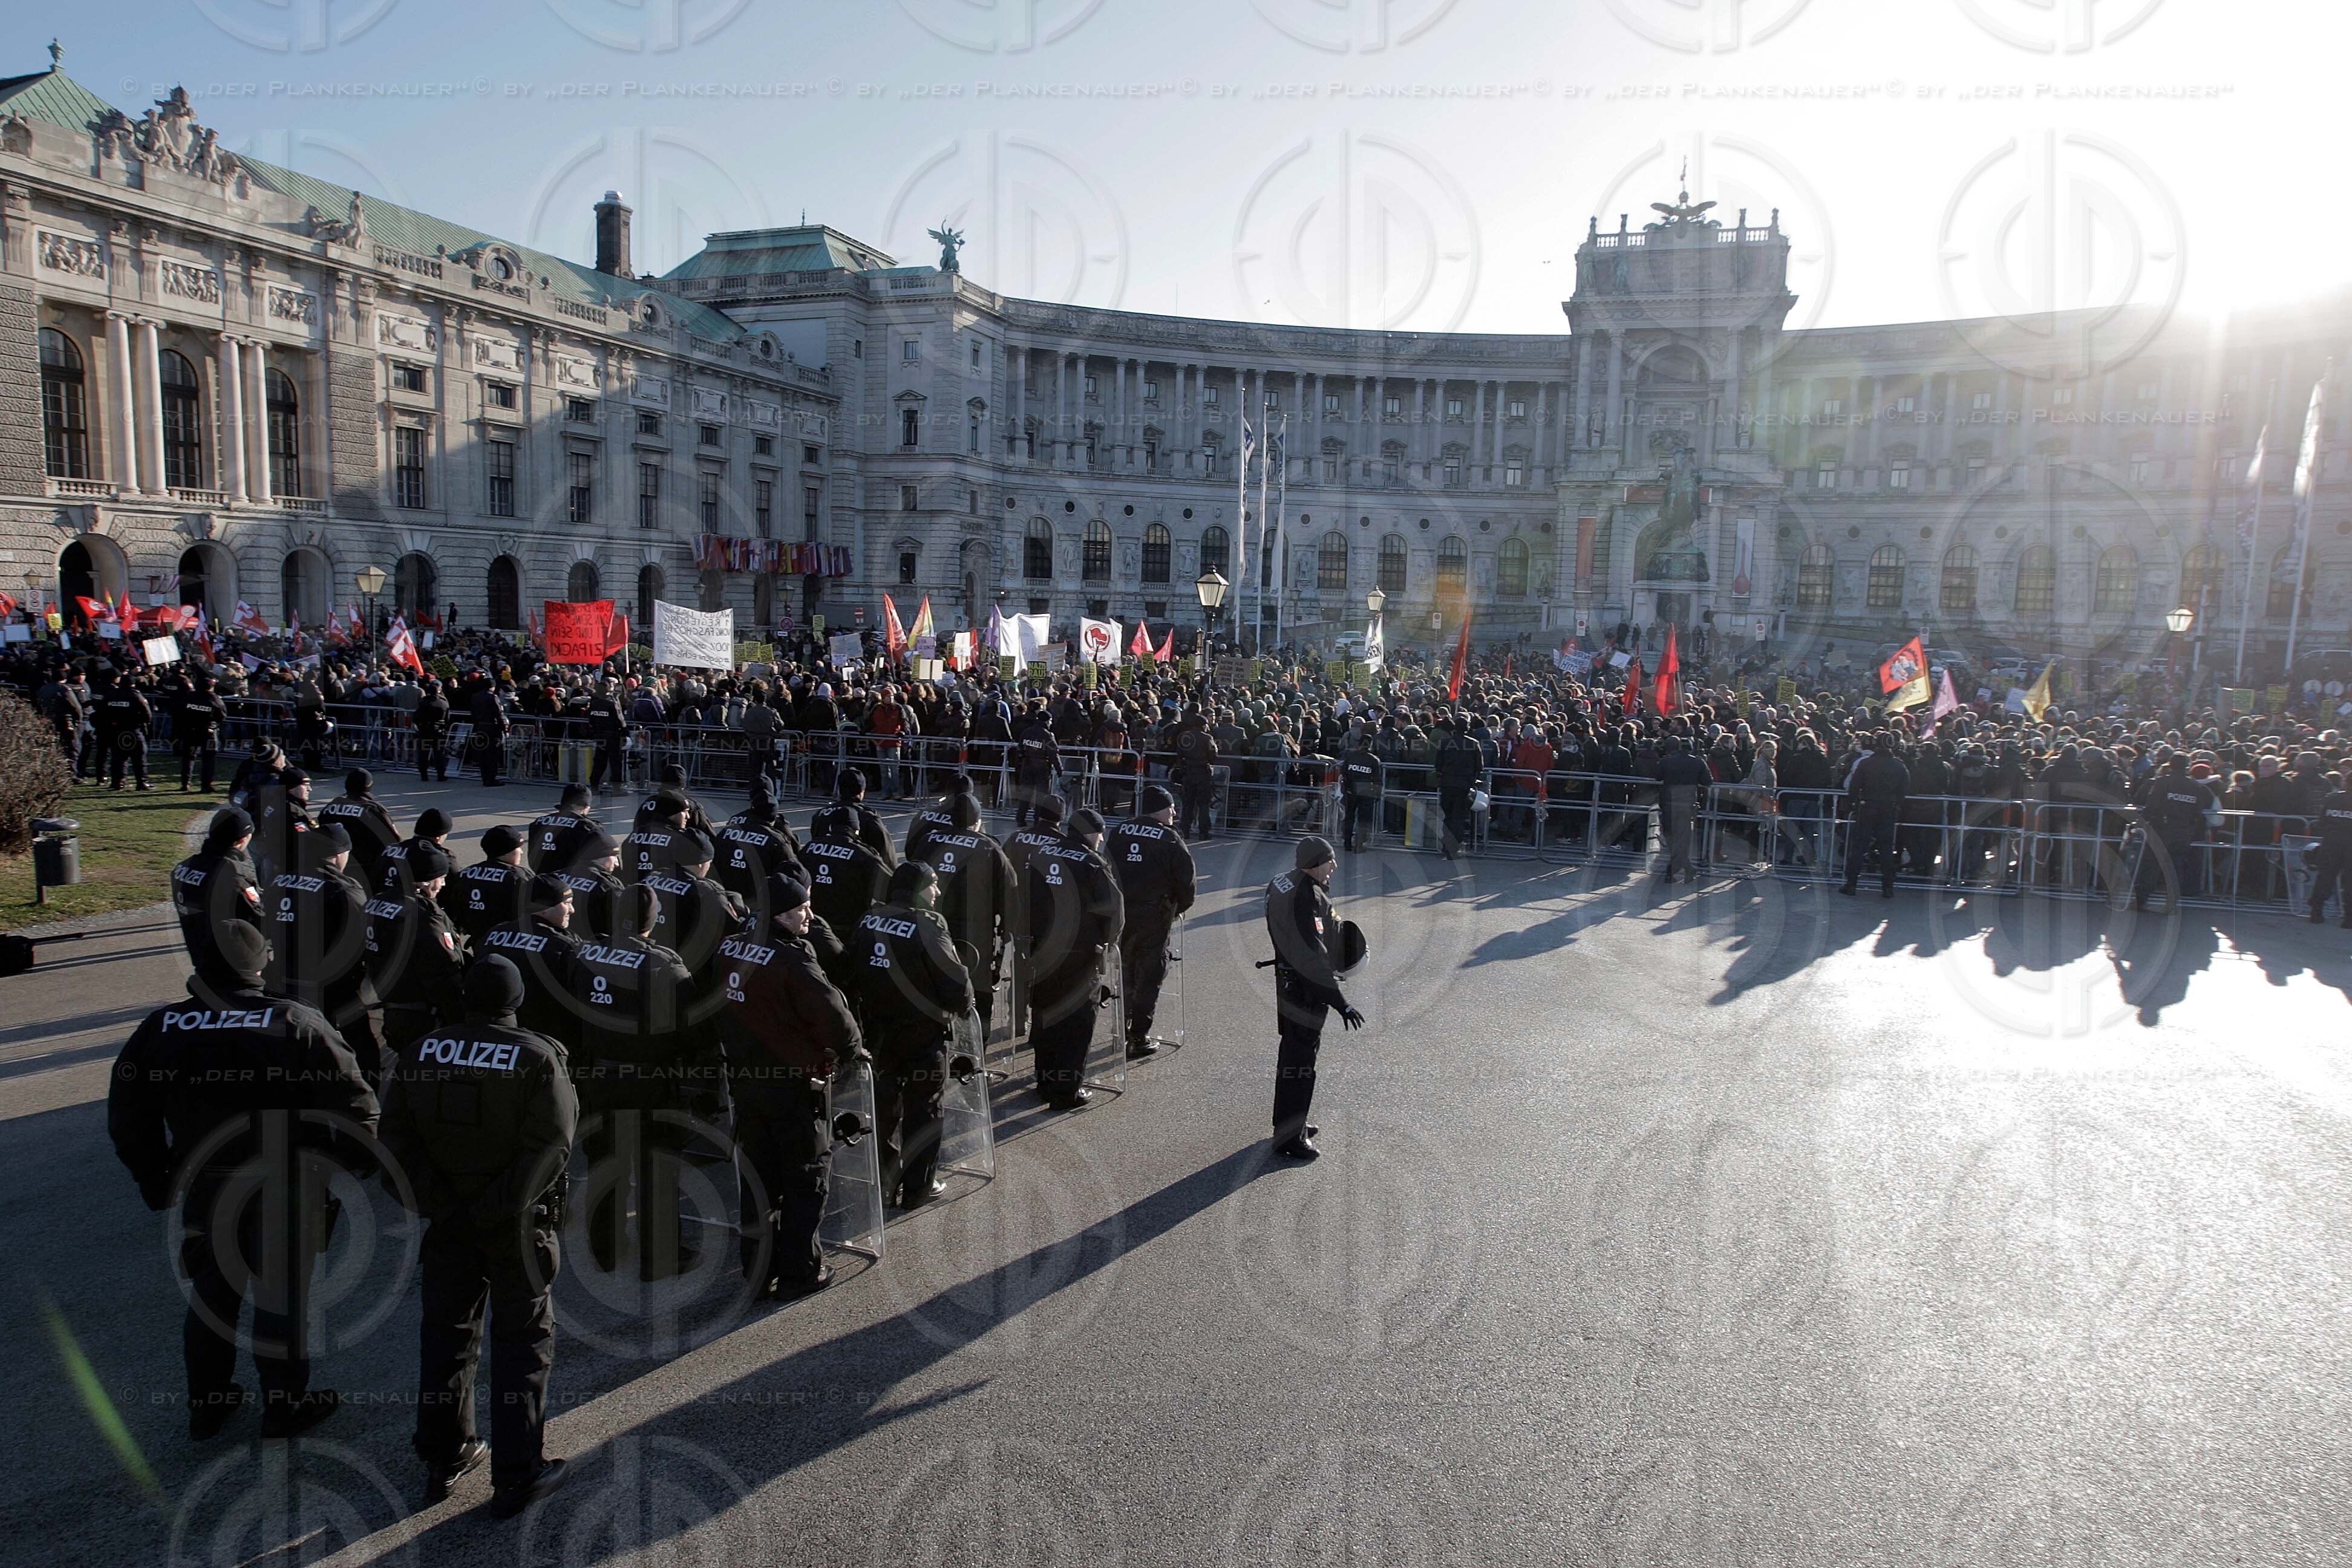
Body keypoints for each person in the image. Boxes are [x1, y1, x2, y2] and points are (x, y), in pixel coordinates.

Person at [108, 921, 377, 1441]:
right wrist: (350, 1165)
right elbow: (358, 1107)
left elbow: (128, 1117)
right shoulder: (298, 1023)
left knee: (212, 1294)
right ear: (260, 966)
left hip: (206, 1183)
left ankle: (207, 1404)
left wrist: (155, 1178)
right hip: (285, 1183)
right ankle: (285, 1405)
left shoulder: (161, 1028)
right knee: (280, 1299)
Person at [378, 955, 576, 1514]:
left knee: (447, 1337)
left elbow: (393, 1144)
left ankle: (445, 1452)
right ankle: (518, 1473)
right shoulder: (538, 1057)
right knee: (523, 1345)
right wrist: (496, 1207)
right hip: (516, 1228)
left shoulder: (420, 1052)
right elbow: (552, 1148)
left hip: (450, 1227)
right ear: (515, 1002)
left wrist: (447, 1207)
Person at [723, 872, 862, 1301]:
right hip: (794, 1085)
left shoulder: (728, 946)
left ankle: (757, 1272)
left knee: (758, 1179)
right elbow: (834, 1018)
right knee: (807, 1177)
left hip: (746, 1082)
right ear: (782, 913)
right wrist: (852, 1053)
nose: (809, 915)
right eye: (803, 908)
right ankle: (800, 1271)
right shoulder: (793, 959)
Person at [573, 884, 700, 1278]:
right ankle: (659, 1255)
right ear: (652, 920)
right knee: (656, 1168)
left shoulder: (583, 955)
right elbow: (691, 1030)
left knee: (605, 1164)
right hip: (651, 1081)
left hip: (599, 1076)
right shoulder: (663, 965)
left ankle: (605, 1248)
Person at [855, 862, 975, 1208]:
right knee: (925, 1109)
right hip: (922, 1034)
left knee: (885, 1108)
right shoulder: (928, 924)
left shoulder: (868, 919)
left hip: (879, 1031)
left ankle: (885, 1181)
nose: (938, 893)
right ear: (919, 889)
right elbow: (956, 985)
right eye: (933, 886)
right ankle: (919, 1188)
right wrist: (963, 1004)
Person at [1263, 836, 1363, 1160]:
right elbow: (1313, 960)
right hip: (1304, 992)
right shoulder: (1308, 897)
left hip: (1287, 981)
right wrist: (1341, 1002)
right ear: (1316, 863)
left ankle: (1291, 1122)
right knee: (1300, 1065)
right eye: (1330, 861)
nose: (1335, 865)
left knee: (1292, 1057)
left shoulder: (1281, 882)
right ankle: (1290, 1138)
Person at [1024, 806, 1123, 1109]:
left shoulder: (1041, 854)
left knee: (1045, 1016)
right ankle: (1066, 1091)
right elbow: (1114, 910)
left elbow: (1022, 899)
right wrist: (1107, 944)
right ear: (1091, 833)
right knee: (1076, 1024)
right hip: (1080, 955)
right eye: (1101, 832)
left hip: (1042, 951)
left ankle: (1043, 1081)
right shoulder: (1093, 863)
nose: (1102, 838)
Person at [264, 822, 380, 1080]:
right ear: (340, 854)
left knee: (295, 1042)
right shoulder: (344, 889)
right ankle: (363, 1096)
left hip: (284, 979)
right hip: (331, 985)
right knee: (360, 1044)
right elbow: (362, 941)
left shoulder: (279, 880)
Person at [914, 794, 1018, 1044]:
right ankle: (975, 1047)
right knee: (977, 989)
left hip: (930, 926)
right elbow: (1010, 894)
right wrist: (1006, 934)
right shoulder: (989, 847)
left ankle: (935, 1038)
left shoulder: (928, 840)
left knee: (931, 982)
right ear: (978, 821)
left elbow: (911, 876)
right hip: (975, 933)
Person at [1106, 786, 1195, 1059]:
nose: (1175, 813)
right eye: (1171, 808)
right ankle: (1139, 1035)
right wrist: (1177, 908)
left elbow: (1106, 868)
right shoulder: (1169, 839)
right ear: (1161, 809)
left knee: (1125, 971)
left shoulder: (1119, 831)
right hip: (1153, 915)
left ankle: (1120, 1029)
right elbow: (1187, 881)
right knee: (1150, 974)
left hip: (1121, 913)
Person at [364, 838, 466, 1063]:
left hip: (389, 1004)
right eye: (442, 878)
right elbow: (444, 972)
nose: (444, 885)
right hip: (420, 1014)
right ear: (428, 881)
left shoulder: (376, 902)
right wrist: (458, 1016)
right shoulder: (424, 917)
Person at [481, 876, 590, 1045]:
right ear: (545, 908)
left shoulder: (494, 934)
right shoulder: (563, 946)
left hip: (493, 1032)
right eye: (567, 903)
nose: (572, 910)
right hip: (544, 1038)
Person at [173, 807, 266, 986]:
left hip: (199, 951)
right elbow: (260, 918)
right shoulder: (233, 877)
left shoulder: (182, 868)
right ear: (242, 840)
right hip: (234, 961)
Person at [802, 808, 890, 989]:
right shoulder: (863, 855)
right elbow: (890, 887)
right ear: (856, 830)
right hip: (848, 932)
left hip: (811, 928)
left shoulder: (810, 848)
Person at [2132, 754, 2215, 914]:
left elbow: (2152, 805)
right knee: (2175, 868)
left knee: (2151, 866)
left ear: (2170, 765)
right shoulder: (2195, 786)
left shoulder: (2163, 782)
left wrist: (2143, 822)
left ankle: (2140, 901)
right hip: (2183, 832)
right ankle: (2172, 904)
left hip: (2161, 829)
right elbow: (2197, 812)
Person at [716, 775, 804, 920]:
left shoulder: (731, 827)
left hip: (727, 898)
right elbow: (793, 866)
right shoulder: (776, 838)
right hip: (758, 902)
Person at [1839, 730, 1911, 900]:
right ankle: (1888, 887)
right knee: (1886, 849)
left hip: (1867, 806)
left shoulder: (1865, 764)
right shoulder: (1899, 765)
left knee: (1859, 847)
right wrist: (1897, 806)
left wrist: (1855, 804)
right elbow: (1904, 790)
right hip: (1888, 809)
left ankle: (1851, 884)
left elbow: (1854, 787)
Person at [442, 825, 532, 949]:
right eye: (518, 848)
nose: (521, 852)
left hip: (479, 940)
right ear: (506, 851)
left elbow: (454, 908)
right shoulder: (518, 877)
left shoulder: (465, 874)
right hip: (511, 943)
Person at [315, 768, 400, 888]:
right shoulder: (373, 810)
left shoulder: (330, 807)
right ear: (368, 786)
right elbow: (394, 840)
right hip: (366, 869)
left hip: (335, 866)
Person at [1653, 735, 1714, 886]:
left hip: (1669, 803)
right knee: (1682, 840)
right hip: (1687, 805)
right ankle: (1684, 868)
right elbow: (1708, 782)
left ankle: (1675, 871)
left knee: (1672, 839)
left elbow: (1657, 777)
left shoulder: (1666, 761)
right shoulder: (1698, 762)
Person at [810, 770, 898, 870]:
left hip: (820, 872)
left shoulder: (821, 814)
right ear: (862, 791)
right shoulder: (868, 816)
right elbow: (887, 853)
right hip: (855, 875)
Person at [92, 669, 154, 791]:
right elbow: (147, 715)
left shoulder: (111, 694)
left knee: (118, 758)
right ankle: (142, 782)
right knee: (139, 757)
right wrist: (140, 722)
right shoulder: (135, 695)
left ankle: (118, 782)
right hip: (133, 729)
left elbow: (103, 711)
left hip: (116, 730)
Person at [1433, 719, 1486, 861]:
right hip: (1463, 785)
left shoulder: (1445, 743)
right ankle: (1453, 849)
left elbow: (1438, 765)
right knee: (1459, 818)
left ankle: (1446, 845)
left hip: (1447, 783)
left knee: (1449, 816)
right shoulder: (1473, 744)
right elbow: (1480, 767)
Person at [379, 808, 456, 900]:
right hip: (417, 906)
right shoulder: (438, 857)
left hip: (380, 902)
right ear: (440, 836)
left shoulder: (389, 850)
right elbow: (458, 884)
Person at [526, 783, 604, 874]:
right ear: (586, 807)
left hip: (542, 877)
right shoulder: (588, 827)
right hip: (572, 879)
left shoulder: (538, 822)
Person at [2308, 774, 2352, 926]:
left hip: (2331, 842)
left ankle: (2316, 911)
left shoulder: (2332, 798)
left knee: (2325, 877)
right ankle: (2349, 918)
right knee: (2350, 881)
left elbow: (2322, 822)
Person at [175, 673, 229, 793]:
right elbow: (222, 715)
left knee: (188, 758)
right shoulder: (214, 698)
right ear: (211, 687)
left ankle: (185, 784)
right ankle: (206, 785)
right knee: (208, 759)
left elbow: (180, 710)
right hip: (208, 731)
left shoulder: (189, 696)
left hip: (190, 730)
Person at [1172, 709, 1218, 840]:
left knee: (1188, 803)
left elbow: (1179, 755)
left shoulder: (1184, 737)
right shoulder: (1207, 738)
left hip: (1188, 773)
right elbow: (1213, 756)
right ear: (1203, 725)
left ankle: (1185, 830)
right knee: (1203, 804)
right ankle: (1204, 832)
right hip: (1203, 773)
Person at [1337, 731, 1384, 852]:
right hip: (1366, 793)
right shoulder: (1374, 760)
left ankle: (1347, 844)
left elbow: (1343, 773)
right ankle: (1359, 845)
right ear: (1371, 744)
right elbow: (1378, 780)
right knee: (1363, 820)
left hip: (1351, 792)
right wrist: (1378, 795)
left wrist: (1345, 788)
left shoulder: (1350, 756)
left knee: (1349, 818)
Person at [584, 677, 630, 796]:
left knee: (599, 762)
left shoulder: (594, 704)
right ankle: (617, 789)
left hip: (600, 736)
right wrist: (626, 732)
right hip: (613, 736)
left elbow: (591, 720)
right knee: (616, 762)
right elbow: (620, 719)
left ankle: (594, 786)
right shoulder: (611, 703)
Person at [469, 679, 511, 787]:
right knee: (492, 755)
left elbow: (473, 713)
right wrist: (504, 729)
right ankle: (491, 778)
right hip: (492, 728)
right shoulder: (493, 698)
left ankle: (485, 777)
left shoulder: (475, 697)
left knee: (483, 754)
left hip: (480, 727)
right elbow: (499, 714)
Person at [414, 677, 452, 783]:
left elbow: (417, 716)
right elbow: (448, 717)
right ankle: (441, 775)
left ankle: (424, 775)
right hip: (439, 730)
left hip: (425, 730)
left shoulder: (424, 702)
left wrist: (420, 725)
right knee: (439, 754)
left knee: (423, 754)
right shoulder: (444, 702)